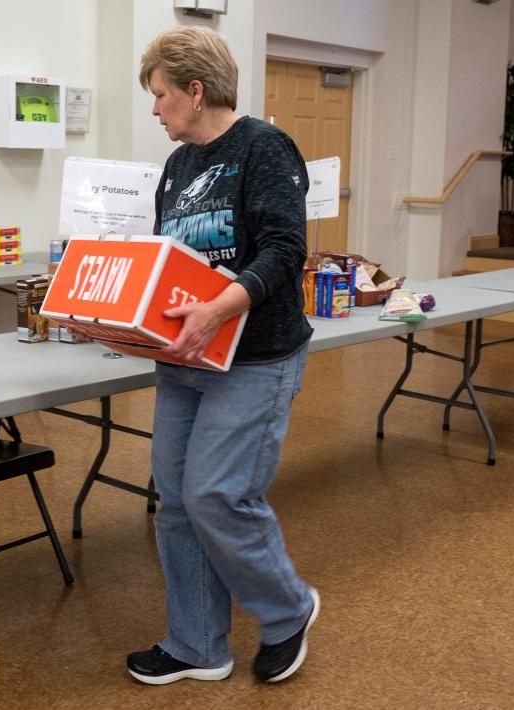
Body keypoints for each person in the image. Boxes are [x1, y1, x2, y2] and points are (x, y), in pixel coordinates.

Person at [126, 25, 317, 686]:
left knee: (217, 494)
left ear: (195, 89)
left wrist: (218, 307)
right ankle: (197, 644)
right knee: (176, 503)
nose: (155, 109)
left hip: (255, 358)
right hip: (184, 361)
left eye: (160, 95)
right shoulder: (177, 168)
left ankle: (288, 609)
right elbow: (167, 263)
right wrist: (121, 317)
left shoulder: (263, 148)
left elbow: (285, 252)